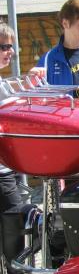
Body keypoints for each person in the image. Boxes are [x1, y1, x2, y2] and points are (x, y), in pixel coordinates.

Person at [0, 24, 24, 213]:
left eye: (11, 46)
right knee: (16, 219)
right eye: (4, 47)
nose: (11, 51)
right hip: (2, 171)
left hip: (7, 165)